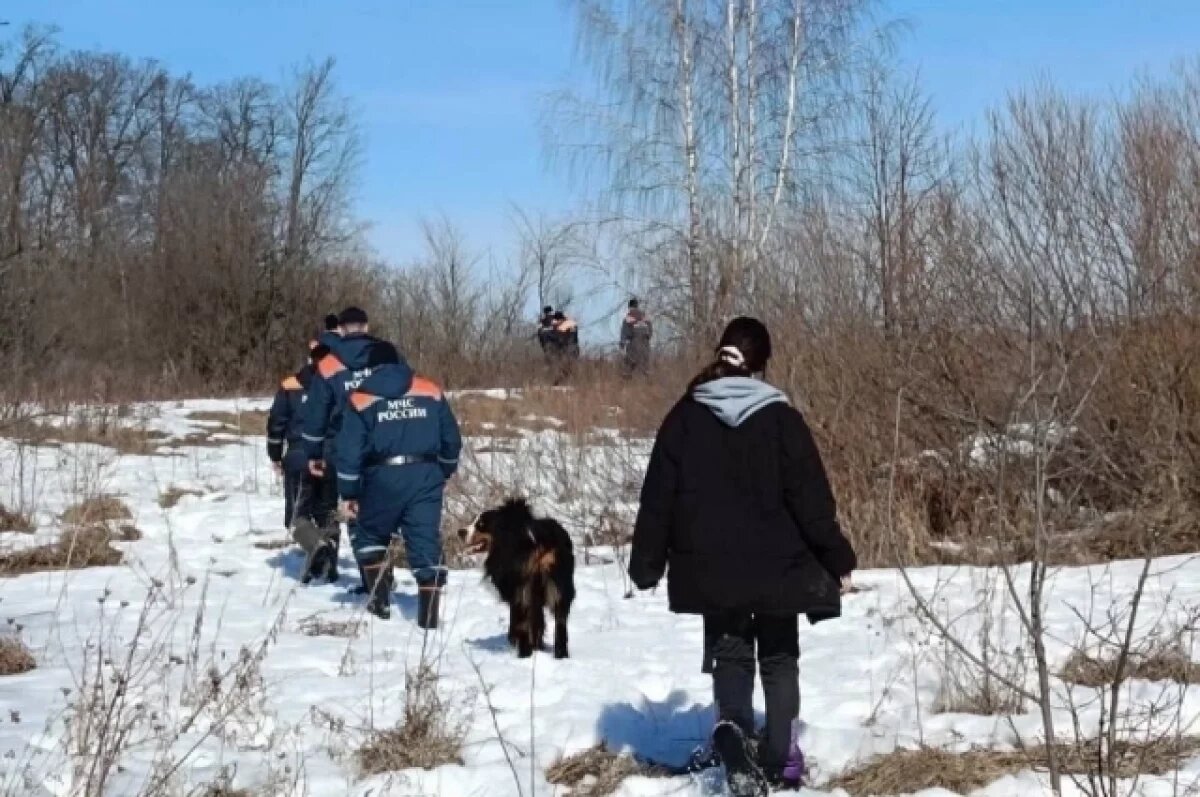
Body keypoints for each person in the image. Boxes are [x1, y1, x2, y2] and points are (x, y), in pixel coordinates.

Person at [628, 317, 856, 795]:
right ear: (762, 363)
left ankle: (732, 738)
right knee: (779, 655)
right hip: (780, 566)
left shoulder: (685, 417)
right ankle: (780, 757)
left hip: (712, 567)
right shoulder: (782, 419)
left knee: (730, 650)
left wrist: (646, 564)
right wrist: (838, 557)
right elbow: (812, 501)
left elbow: (658, 498)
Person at [335, 359, 462, 625]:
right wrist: (445, 470)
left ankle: (378, 605)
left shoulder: (361, 399)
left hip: (380, 476)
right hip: (425, 474)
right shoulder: (430, 390)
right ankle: (428, 619)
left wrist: (349, 492)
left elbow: (348, 451)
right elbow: (451, 438)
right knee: (424, 538)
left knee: (367, 532)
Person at [302, 307, 402, 592]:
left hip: (343, 447)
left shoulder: (330, 365)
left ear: (342, 330)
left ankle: (372, 581)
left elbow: (316, 414)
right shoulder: (387, 355)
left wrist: (313, 453)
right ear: (367, 326)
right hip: (386, 443)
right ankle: (384, 574)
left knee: (356, 512)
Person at [269, 341, 341, 582]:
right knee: (327, 513)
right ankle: (329, 565)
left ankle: (318, 550)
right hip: (331, 456)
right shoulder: (341, 385)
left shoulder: (291, 386)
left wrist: (275, 454)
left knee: (296, 516)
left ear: (310, 359)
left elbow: (277, 423)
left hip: (299, 457)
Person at [619, 299, 653, 377]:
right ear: (637, 306)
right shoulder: (645, 317)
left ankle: (628, 377)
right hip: (645, 344)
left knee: (629, 365)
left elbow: (624, 332)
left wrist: (622, 344)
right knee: (645, 367)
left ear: (630, 307)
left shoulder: (628, 318)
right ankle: (647, 381)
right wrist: (648, 337)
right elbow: (650, 331)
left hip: (633, 343)